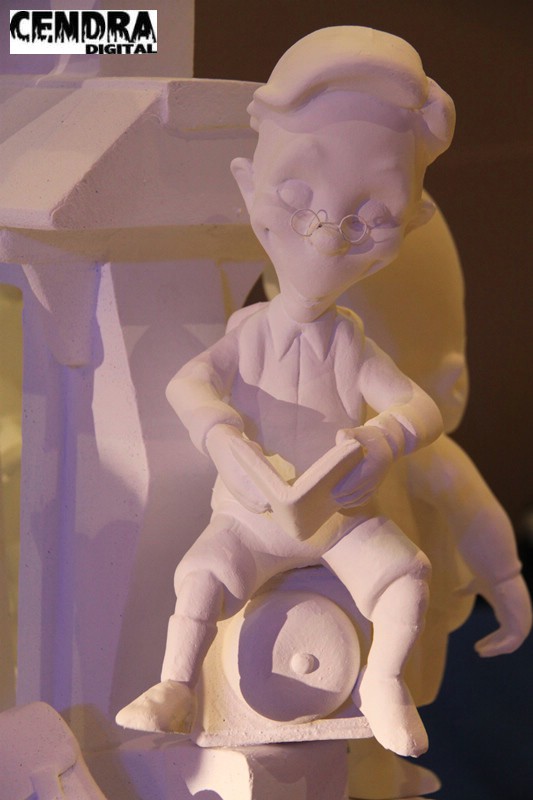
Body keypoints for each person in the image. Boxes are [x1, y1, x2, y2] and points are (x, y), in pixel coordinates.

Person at [116, 26, 460, 757]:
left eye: (373, 219)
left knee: (407, 577)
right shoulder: (249, 332)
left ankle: (383, 683)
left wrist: (382, 439)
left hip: (339, 520)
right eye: (299, 198)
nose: (329, 237)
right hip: (250, 517)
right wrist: (223, 437)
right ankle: (174, 683)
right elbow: (190, 381)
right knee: (198, 577)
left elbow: (419, 407)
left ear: (411, 224)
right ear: (250, 187)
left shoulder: (350, 343)